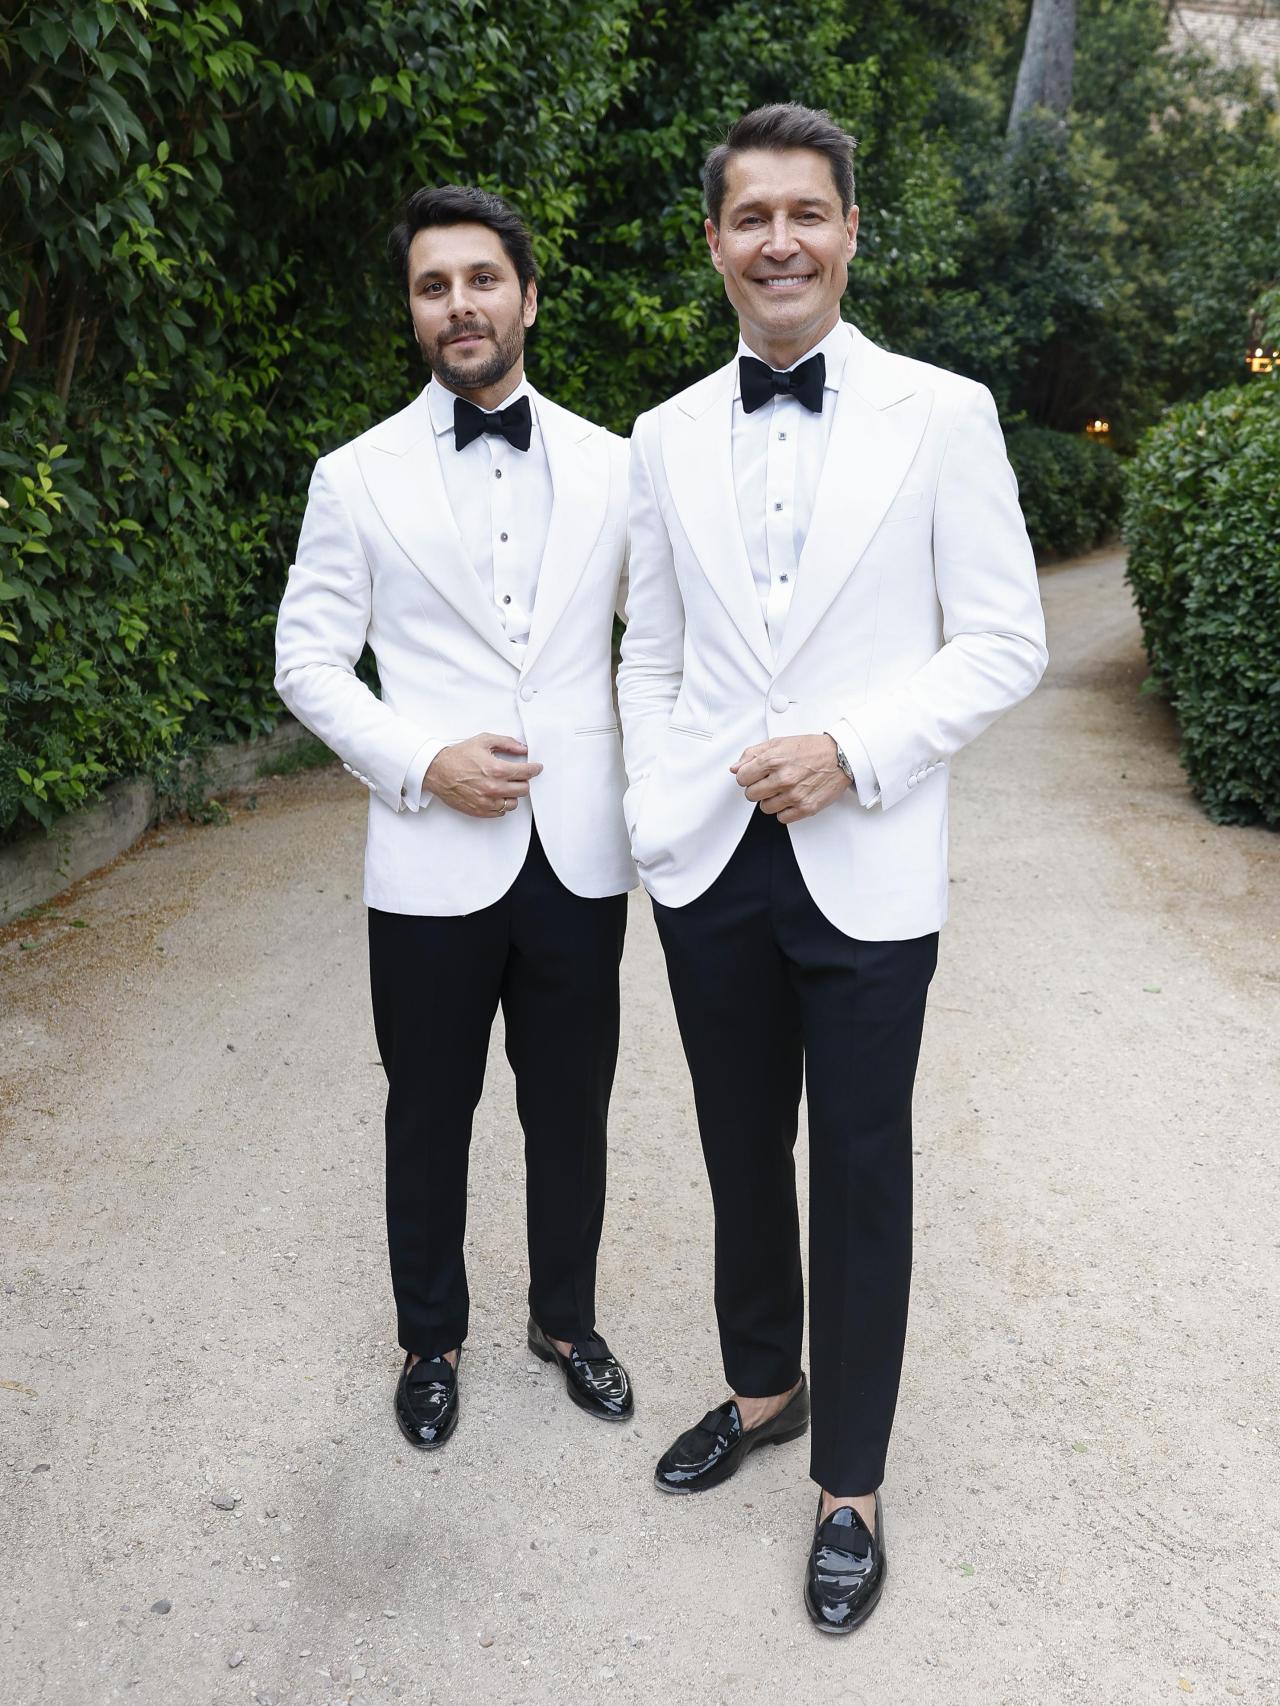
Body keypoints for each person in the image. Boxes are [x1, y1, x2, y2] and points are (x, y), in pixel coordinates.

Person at [617, 104, 1047, 1632]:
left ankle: (849, 1480)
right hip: (711, 859)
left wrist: (854, 748)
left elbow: (1006, 638)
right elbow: (650, 650)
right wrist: (657, 811)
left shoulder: (946, 412)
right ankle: (763, 1387)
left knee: (862, 1169)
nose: (780, 240)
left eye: (809, 212)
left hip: (867, 854)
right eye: (752, 217)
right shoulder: (663, 436)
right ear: (717, 240)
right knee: (740, 1147)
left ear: (852, 231)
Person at [276, 184, 636, 1454]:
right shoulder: (353, 475)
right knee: (427, 1105)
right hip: (427, 854)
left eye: (481, 279)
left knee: (571, 1104)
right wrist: (421, 757)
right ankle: (428, 1335)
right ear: (413, 313)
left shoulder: (616, 464)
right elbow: (307, 661)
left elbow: (665, 647)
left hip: (579, 849)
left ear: (527, 297)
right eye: (433, 287)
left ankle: (566, 1318)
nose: (458, 305)